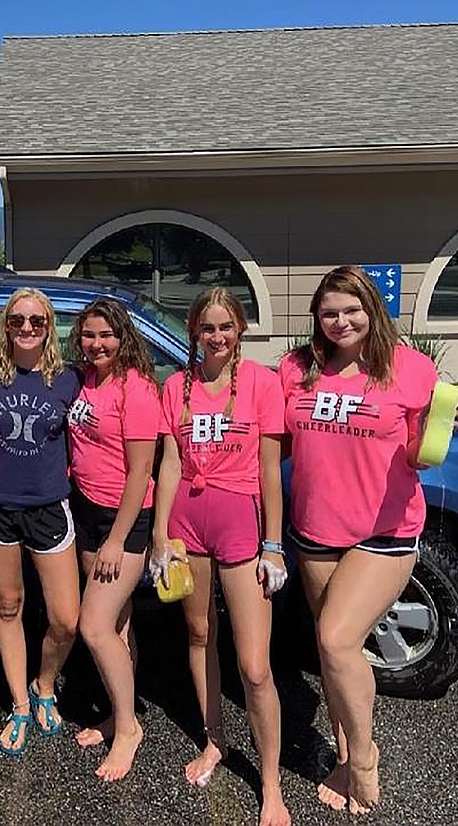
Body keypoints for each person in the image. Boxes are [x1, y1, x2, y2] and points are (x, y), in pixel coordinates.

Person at [279, 265, 458, 815]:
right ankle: (341, 751)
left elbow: (418, 453)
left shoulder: (409, 368)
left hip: (384, 530)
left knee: (336, 640)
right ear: (317, 317)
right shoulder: (298, 369)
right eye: (329, 312)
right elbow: (274, 441)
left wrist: (440, 426)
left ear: (372, 311)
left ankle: (363, 759)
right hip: (313, 531)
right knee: (335, 652)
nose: (341, 321)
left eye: (352, 310)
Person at [151, 288, 291, 826]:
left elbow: (269, 469)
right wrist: (161, 534)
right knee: (199, 634)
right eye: (207, 328)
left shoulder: (259, 383)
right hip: (187, 523)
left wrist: (273, 543)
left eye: (225, 327)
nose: (216, 337)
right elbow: (168, 463)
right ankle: (216, 741)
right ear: (194, 332)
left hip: (239, 525)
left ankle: (272, 783)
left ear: (240, 331)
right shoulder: (175, 386)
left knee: (255, 666)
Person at [0, 288, 82, 757]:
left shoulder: (70, 379)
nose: (26, 328)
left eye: (37, 321)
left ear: (49, 325)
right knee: (8, 605)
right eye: (17, 320)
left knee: (66, 618)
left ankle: (44, 682)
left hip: (48, 506)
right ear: (5, 325)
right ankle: (20, 703)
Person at [66, 296, 161, 782]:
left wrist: (116, 539)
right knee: (118, 625)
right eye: (89, 334)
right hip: (86, 510)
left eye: (106, 335)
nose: (97, 344)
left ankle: (128, 728)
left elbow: (142, 469)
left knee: (94, 625)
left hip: (123, 521)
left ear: (123, 338)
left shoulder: (137, 389)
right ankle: (115, 711)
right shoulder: (84, 380)